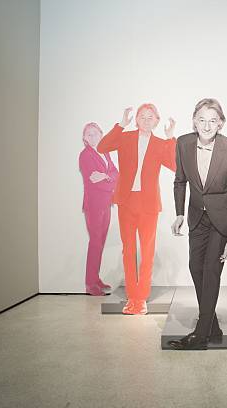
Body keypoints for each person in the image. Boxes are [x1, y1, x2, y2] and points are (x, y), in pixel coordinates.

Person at [168, 98, 227, 350]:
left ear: (221, 123)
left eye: (213, 120)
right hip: (196, 217)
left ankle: (201, 334)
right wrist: (179, 213)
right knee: (195, 267)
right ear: (194, 120)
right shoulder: (183, 143)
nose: (206, 125)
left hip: (222, 221)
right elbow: (180, 180)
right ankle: (212, 324)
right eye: (201, 119)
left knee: (211, 270)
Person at [97, 104, 176, 314]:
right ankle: (132, 296)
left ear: (157, 121)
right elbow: (102, 147)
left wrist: (170, 138)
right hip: (126, 201)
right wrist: (121, 124)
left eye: (151, 117)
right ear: (136, 119)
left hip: (149, 203)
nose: (147, 120)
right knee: (128, 250)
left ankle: (141, 298)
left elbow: (176, 165)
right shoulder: (125, 137)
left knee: (147, 251)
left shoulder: (160, 144)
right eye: (143, 116)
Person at [79, 122, 119, 296]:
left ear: (101, 135)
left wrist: (106, 176)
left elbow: (116, 174)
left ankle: (95, 279)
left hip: (106, 204)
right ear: (84, 138)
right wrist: (109, 180)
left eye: (95, 133)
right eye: (89, 134)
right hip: (94, 206)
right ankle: (90, 284)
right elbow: (93, 181)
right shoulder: (85, 155)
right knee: (95, 242)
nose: (93, 137)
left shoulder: (105, 152)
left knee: (100, 243)